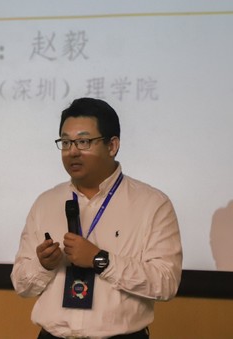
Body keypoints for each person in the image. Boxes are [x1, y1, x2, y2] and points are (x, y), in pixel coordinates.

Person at [11, 97, 183, 339]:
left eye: (83, 142)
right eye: (66, 142)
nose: (72, 152)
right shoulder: (45, 203)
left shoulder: (152, 204)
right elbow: (21, 285)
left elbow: (166, 283)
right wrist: (43, 265)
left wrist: (99, 259)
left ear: (112, 146)